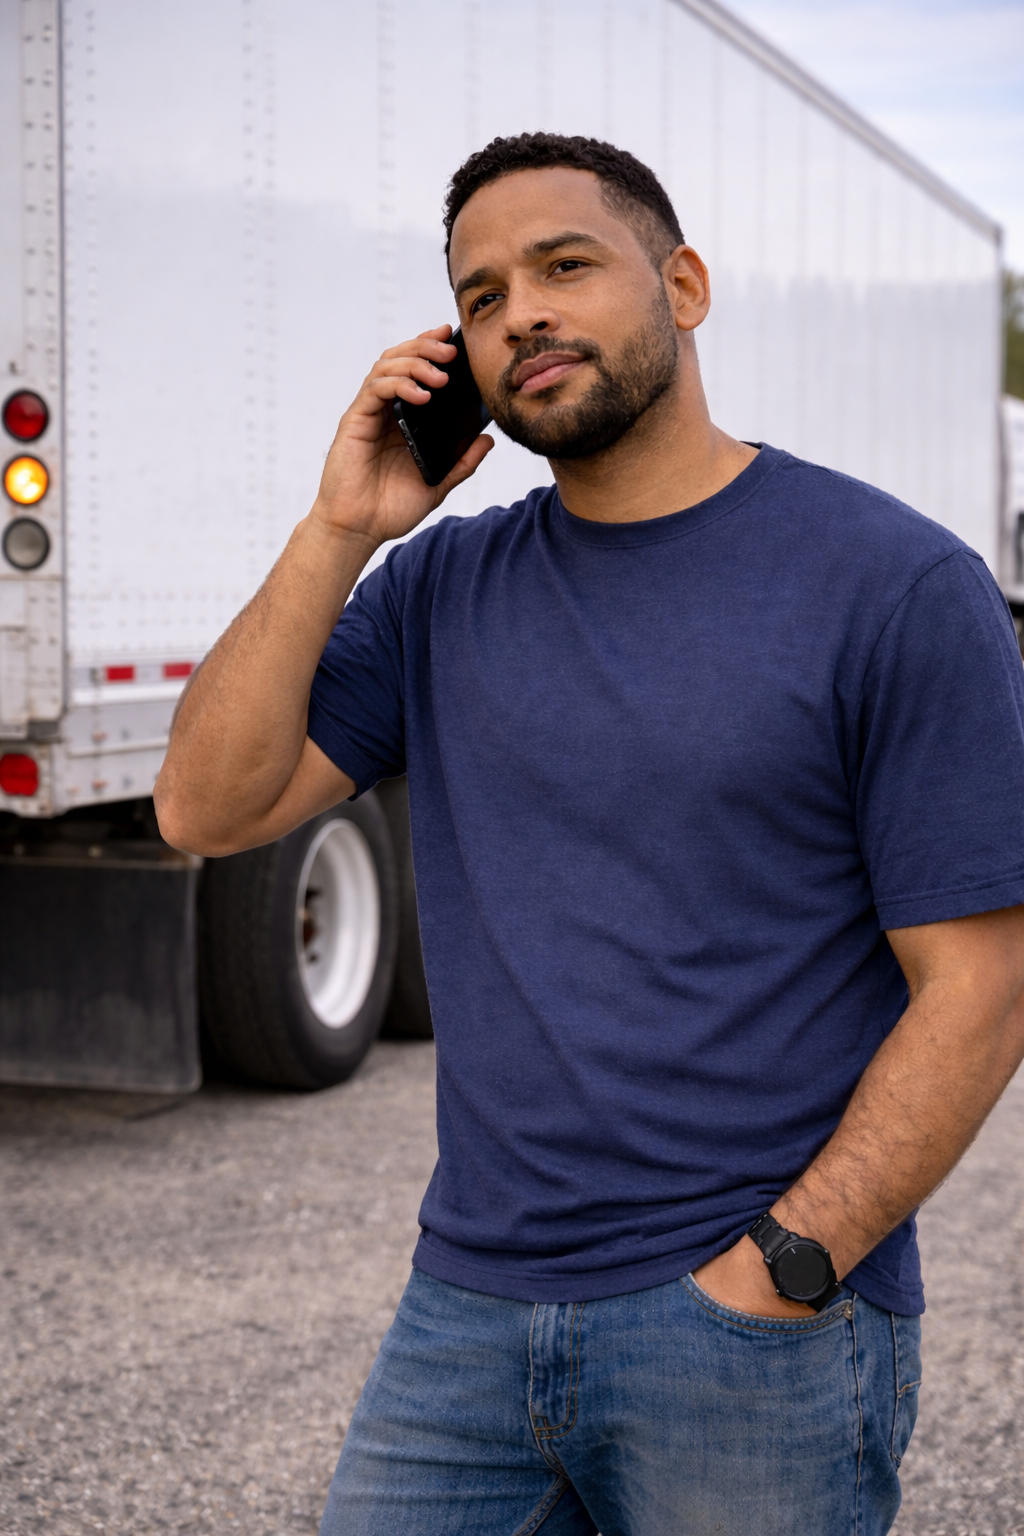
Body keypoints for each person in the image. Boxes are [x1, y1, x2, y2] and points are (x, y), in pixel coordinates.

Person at [155, 133, 1024, 1536]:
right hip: (467, 1313)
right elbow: (206, 807)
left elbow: (980, 986)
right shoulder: (439, 585)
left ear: (682, 286)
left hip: (748, 1332)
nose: (520, 316)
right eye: (481, 296)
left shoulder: (896, 585)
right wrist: (340, 528)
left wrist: (791, 1265)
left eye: (565, 266)